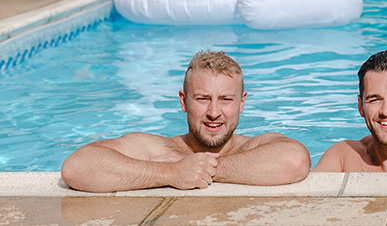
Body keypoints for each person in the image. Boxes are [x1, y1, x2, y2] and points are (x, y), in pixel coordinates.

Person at [60, 50, 311, 192]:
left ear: (241, 103)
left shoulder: (255, 147)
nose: (214, 112)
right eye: (202, 99)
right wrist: (170, 172)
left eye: (225, 99)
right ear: (184, 101)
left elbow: (294, 160)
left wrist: (197, 168)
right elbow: (77, 167)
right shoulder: (157, 149)